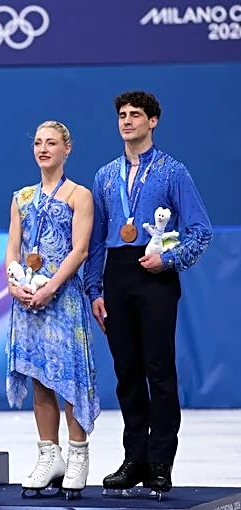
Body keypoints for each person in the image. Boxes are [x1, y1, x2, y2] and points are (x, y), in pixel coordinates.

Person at [84, 91, 212, 494]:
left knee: (158, 370)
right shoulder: (105, 176)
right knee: (126, 373)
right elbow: (97, 241)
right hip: (117, 274)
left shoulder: (173, 172)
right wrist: (94, 290)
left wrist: (169, 260)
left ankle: (160, 461)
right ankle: (134, 458)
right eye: (122, 115)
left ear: (152, 121)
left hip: (154, 273)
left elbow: (200, 230)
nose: (127, 121)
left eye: (135, 115)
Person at [5, 121, 100, 497]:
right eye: (38, 143)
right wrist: (14, 282)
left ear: (67, 149)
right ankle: (50, 454)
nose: (43, 149)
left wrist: (52, 287)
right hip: (28, 300)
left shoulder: (79, 195)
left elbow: (80, 250)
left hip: (63, 299)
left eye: (52, 143)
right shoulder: (21, 197)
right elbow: (13, 246)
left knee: (70, 379)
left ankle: (78, 454)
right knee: (39, 378)